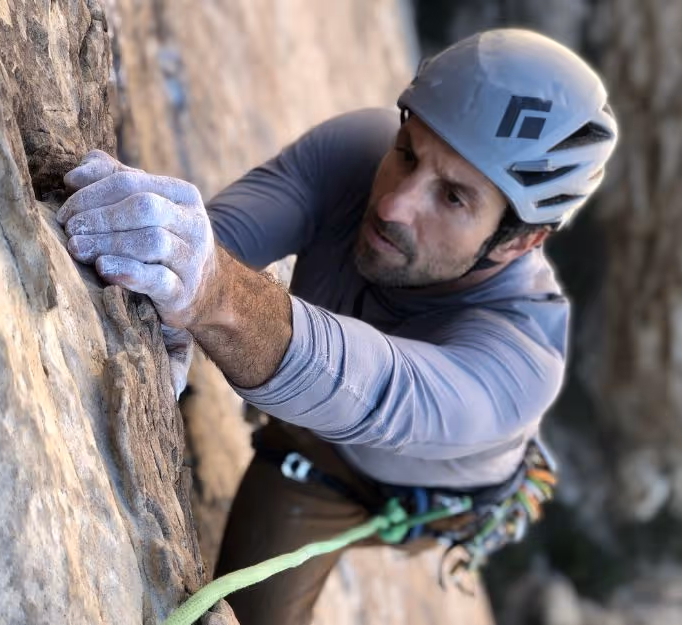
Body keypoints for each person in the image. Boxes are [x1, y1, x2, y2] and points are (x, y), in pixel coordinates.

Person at [58, 29, 618, 625]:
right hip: (321, 417)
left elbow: (377, 391)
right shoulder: (359, 148)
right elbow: (218, 241)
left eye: (452, 197)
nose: (395, 204)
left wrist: (209, 293)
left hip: (350, 479)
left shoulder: (521, 362)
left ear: (522, 241)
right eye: (407, 151)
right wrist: (172, 285)